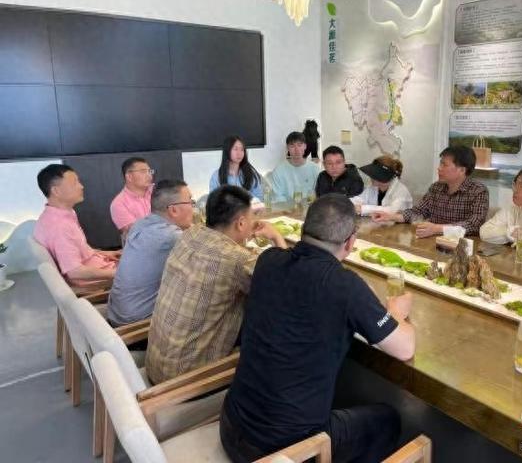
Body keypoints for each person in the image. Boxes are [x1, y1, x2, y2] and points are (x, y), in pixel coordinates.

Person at [220, 194, 415, 462]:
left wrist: (278, 239)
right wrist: (397, 313)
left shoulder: (268, 261)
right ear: (350, 242)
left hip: (231, 427)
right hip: (284, 451)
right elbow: (405, 348)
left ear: (303, 229)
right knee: (388, 419)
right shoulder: (345, 285)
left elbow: (294, 276)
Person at [145, 185, 287, 384]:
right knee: (275, 329)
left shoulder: (190, 234)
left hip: (157, 364)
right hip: (184, 381)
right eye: (251, 217)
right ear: (240, 223)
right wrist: (276, 237)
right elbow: (287, 284)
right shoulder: (237, 260)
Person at [107, 180, 194, 327]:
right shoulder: (170, 236)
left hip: (116, 314)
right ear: (173, 210)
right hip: (137, 326)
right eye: (190, 202)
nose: (193, 207)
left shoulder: (140, 224)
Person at [34, 164, 120, 287]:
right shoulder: (59, 226)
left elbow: (77, 249)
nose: (81, 186)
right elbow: (75, 272)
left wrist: (105, 253)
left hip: (101, 264)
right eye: (74, 183)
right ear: (56, 191)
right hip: (98, 281)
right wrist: (119, 273)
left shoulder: (59, 215)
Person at [373, 146, 489, 237]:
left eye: (444, 165)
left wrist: (437, 229)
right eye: (440, 163)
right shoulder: (436, 187)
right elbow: (418, 212)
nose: (439, 168)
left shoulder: (478, 191)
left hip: (462, 247)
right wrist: (392, 217)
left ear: (462, 170)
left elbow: (474, 225)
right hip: (432, 242)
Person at [270, 132, 320, 203]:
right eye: (292, 146)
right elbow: (278, 197)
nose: (296, 150)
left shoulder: (315, 169)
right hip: (286, 208)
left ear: (305, 146)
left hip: (311, 207)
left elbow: (318, 194)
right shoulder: (279, 170)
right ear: (287, 148)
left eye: (299, 145)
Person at [209, 136, 263, 201]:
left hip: (248, 207)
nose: (239, 153)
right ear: (227, 151)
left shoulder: (251, 173)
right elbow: (214, 202)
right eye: (235, 149)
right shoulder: (216, 176)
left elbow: (259, 199)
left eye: (242, 149)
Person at [110, 157, 154, 237]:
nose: (149, 175)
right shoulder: (119, 204)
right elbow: (136, 233)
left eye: (149, 171)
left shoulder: (158, 191)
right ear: (129, 177)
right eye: (143, 171)